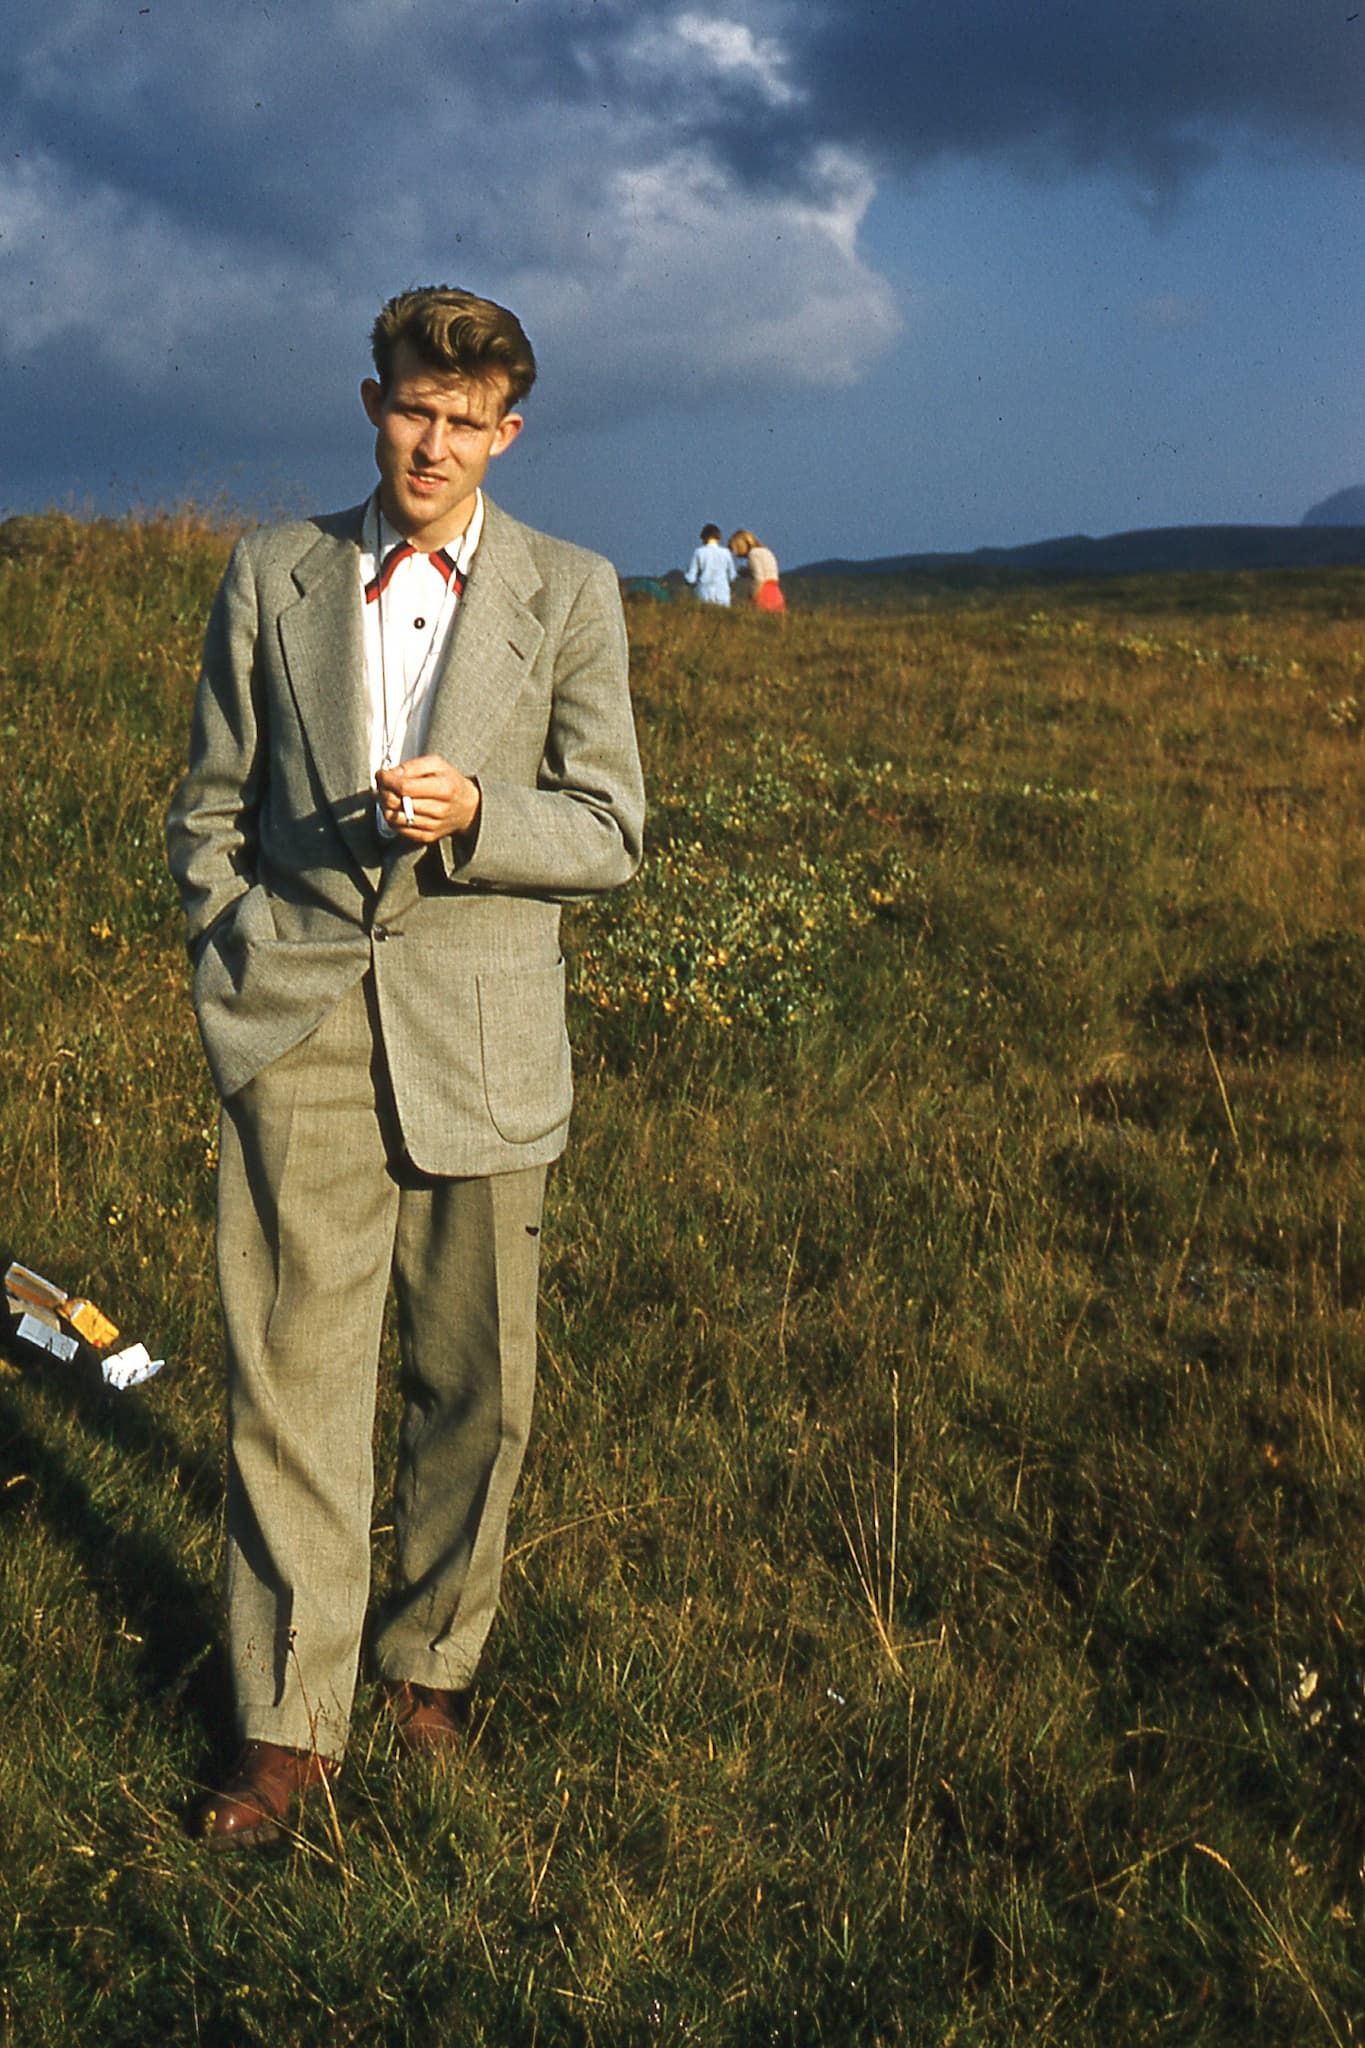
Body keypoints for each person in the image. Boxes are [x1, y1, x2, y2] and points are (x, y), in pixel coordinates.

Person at [166, 285, 645, 1849]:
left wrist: (482, 816)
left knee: (475, 1391)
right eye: (409, 411)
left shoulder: (569, 591)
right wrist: (232, 953)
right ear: (371, 403)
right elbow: (206, 806)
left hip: (483, 1044)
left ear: (508, 431)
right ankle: (285, 1727)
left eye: (466, 421)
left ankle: (428, 1673)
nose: (432, 444)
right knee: (289, 1391)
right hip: (296, 1026)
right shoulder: (275, 569)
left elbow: (611, 830)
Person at [728, 529, 785, 612]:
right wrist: (748, 571)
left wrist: (752, 596)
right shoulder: (766, 551)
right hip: (775, 592)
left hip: (764, 594)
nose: (736, 554)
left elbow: (759, 579)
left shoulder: (753, 554)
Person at [683, 523, 738, 606]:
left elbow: (691, 578)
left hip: (704, 591)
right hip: (722, 591)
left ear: (703, 537)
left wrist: (686, 578)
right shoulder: (726, 553)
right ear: (718, 537)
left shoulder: (699, 552)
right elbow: (732, 576)